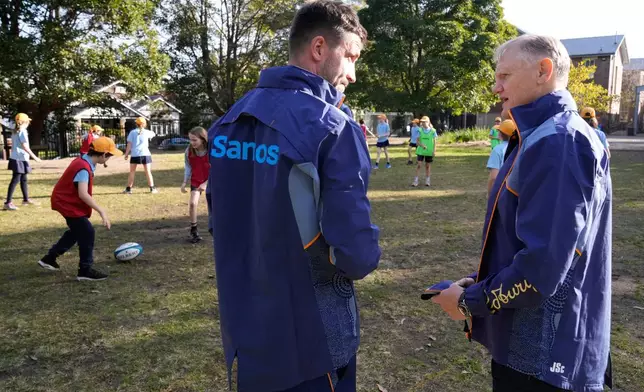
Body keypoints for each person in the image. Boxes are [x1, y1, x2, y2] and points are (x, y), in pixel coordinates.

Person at [207, 1, 381, 391]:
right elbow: (355, 253)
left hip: (246, 328)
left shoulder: (228, 121)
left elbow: (220, 215)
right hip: (312, 339)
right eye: (351, 57)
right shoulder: (332, 127)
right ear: (320, 48)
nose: (352, 74)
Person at [432, 35, 612, 392]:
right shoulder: (539, 135)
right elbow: (530, 242)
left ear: (544, 70)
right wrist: (477, 279)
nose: (496, 88)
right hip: (532, 349)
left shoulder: (559, 140)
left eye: (505, 76)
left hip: (545, 359)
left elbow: (542, 267)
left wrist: (471, 302)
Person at [38, 137, 122, 281]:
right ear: (102, 155)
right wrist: (101, 211)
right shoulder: (83, 167)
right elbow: (83, 194)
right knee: (87, 232)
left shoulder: (84, 161)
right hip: (66, 202)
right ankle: (85, 270)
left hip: (65, 200)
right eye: (109, 155)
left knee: (77, 232)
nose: (109, 159)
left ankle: (49, 258)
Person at [4, 113, 41, 211]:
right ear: (22, 122)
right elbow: (25, 146)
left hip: (20, 158)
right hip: (18, 159)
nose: (28, 123)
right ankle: (8, 203)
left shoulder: (15, 131)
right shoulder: (22, 131)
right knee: (15, 180)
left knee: (23, 178)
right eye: (27, 121)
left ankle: (25, 199)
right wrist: (35, 157)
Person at [181, 127, 210, 243]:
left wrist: (206, 183)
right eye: (190, 140)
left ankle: (218, 229)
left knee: (214, 206)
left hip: (211, 180)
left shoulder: (211, 150)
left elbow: (218, 169)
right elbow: (188, 167)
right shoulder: (189, 151)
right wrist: (184, 182)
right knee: (193, 203)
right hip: (196, 180)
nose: (191, 142)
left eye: (194, 140)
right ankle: (194, 231)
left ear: (203, 139)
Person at [123, 117, 158, 194]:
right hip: (145, 154)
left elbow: (129, 144)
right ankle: (152, 188)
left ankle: (128, 189)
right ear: (144, 124)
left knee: (132, 172)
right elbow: (153, 134)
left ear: (136, 124)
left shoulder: (132, 132)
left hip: (135, 154)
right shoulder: (147, 132)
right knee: (148, 171)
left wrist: (126, 154)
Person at [485, 119, 515, 197]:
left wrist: (490, 195)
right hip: (515, 190)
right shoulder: (518, 148)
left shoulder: (498, 149)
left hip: (502, 191)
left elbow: (494, 177)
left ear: (500, 134)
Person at [411, 116, 437, 187]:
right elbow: (417, 142)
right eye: (422, 122)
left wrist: (434, 150)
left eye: (424, 122)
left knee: (427, 166)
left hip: (429, 151)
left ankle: (427, 180)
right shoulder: (419, 130)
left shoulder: (433, 131)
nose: (423, 123)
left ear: (428, 122)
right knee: (419, 165)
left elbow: (435, 142)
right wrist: (422, 145)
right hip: (421, 151)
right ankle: (415, 181)